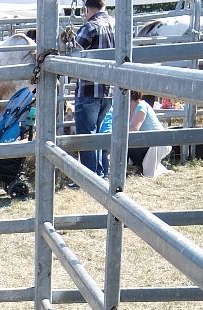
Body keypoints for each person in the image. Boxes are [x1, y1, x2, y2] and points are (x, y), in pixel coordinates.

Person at [74, 0, 114, 178]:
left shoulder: (89, 27)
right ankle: (99, 173)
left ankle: (89, 176)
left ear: (87, 8)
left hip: (89, 88)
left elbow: (74, 52)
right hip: (109, 88)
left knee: (87, 135)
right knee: (97, 132)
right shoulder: (116, 26)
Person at [127, 89, 166, 177]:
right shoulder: (131, 108)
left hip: (158, 142)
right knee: (128, 142)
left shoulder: (141, 106)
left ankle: (139, 167)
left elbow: (133, 129)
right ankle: (138, 167)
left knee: (126, 143)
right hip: (149, 140)